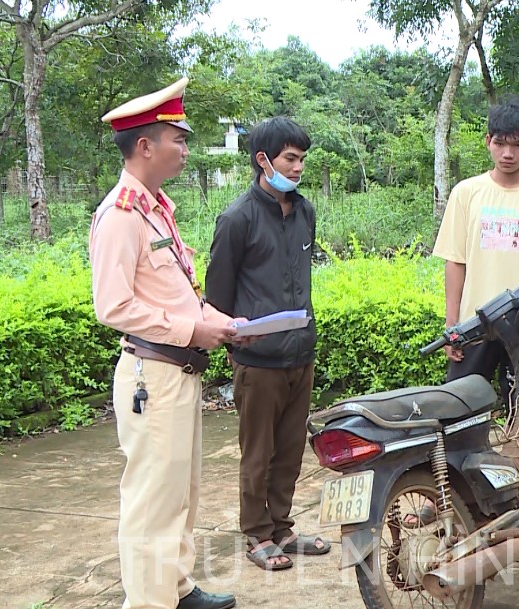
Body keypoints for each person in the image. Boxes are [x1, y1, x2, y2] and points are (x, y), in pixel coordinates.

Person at [90, 77, 244, 609]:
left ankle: (176, 588)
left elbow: (177, 291)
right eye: (178, 138)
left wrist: (218, 321)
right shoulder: (120, 215)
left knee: (181, 492)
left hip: (177, 372)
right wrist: (192, 331)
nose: (185, 148)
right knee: (152, 501)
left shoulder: (155, 208)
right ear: (144, 145)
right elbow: (113, 306)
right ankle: (149, 602)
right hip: (151, 376)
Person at [405, 96, 519, 527]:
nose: (508, 153)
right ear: (487, 142)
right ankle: (443, 496)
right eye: (500, 143)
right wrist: (452, 324)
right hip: (475, 327)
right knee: (457, 414)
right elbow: (455, 262)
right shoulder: (467, 193)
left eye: (516, 143)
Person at [204, 117, 330, 571]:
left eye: (301, 160)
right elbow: (216, 296)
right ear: (263, 160)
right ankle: (257, 533)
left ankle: (282, 527)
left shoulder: (304, 212)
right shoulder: (237, 218)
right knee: (258, 454)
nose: (298, 168)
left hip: (300, 353)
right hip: (257, 361)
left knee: (291, 450)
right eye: (289, 159)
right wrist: (236, 345)